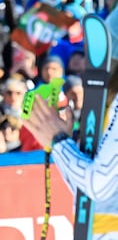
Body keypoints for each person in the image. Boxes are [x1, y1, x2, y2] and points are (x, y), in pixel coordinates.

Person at [24, 13, 118, 237]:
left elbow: (97, 186)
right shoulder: (109, 104)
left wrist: (59, 141)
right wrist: (62, 146)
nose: (87, 62)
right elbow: (84, 189)